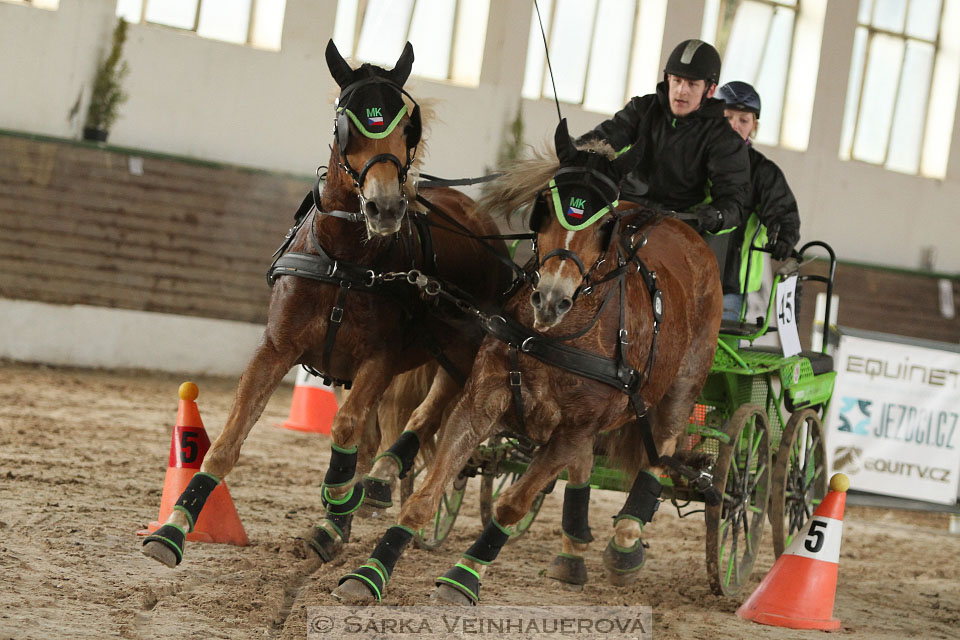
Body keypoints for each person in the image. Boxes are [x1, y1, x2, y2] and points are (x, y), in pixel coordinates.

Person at [576, 39, 751, 236]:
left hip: (677, 224)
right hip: (625, 208)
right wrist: (575, 153)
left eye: (692, 84)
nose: (681, 90)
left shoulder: (725, 140)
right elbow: (603, 138)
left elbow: (733, 200)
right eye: (677, 80)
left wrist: (718, 216)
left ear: (709, 90)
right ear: (668, 79)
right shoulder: (642, 109)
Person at [715, 80, 801, 321]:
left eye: (743, 120)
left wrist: (783, 236)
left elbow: (784, 213)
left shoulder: (763, 172)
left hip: (731, 285)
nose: (734, 125)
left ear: (754, 126)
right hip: (684, 273)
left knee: (724, 351)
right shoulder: (694, 158)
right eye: (728, 117)